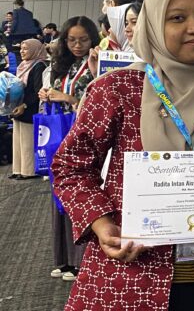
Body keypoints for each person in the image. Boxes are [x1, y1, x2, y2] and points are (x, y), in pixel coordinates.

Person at [51, 0, 194, 310]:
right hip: (130, 278)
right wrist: (101, 224)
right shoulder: (117, 89)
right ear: (154, 25)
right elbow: (71, 166)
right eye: (177, 18)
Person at [38, 16, 100, 282]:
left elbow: (98, 101)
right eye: (72, 40)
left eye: (83, 39)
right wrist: (46, 94)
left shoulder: (96, 63)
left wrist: (69, 98)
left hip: (84, 138)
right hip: (60, 135)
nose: (77, 45)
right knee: (60, 194)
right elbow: (54, 92)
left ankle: (81, 261)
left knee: (80, 194)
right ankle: (64, 259)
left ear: (93, 39)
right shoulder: (60, 65)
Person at [7, 39, 47, 180]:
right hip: (18, 108)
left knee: (27, 142)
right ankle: (18, 169)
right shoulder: (23, 65)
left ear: (35, 50)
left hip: (30, 109)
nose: (22, 51)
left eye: (26, 49)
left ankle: (29, 170)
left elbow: (37, 91)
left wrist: (24, 105)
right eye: (21, 48)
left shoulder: (39, 66)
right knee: (17, 141)